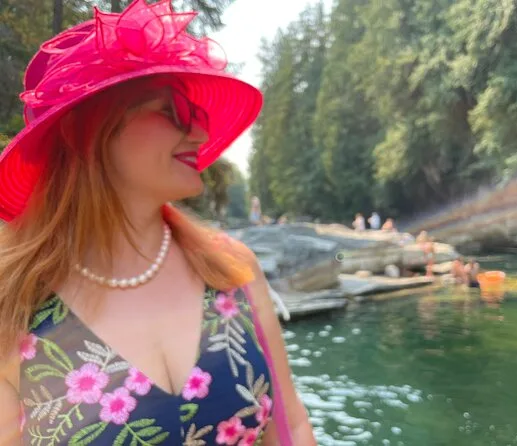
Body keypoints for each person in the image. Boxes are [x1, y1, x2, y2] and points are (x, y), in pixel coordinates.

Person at [0, 2, 315, 445]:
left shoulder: (231, 269)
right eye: (173, 112)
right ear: (85, 132)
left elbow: (290, 425)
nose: (201, 135)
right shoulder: (15, 304)